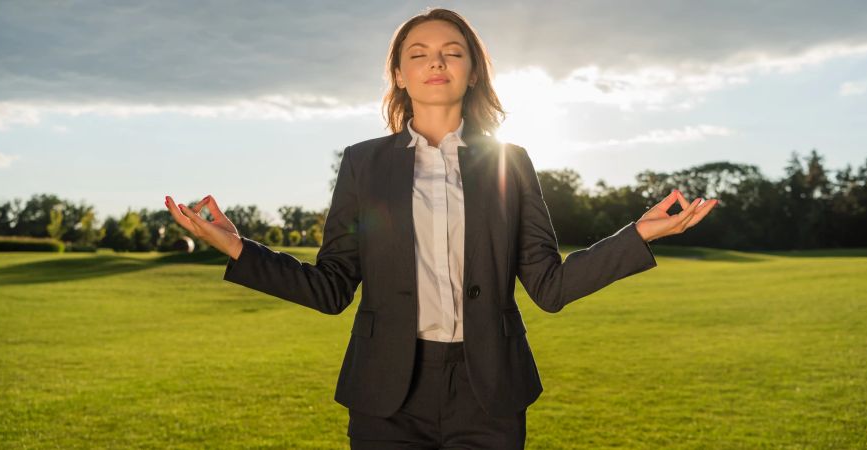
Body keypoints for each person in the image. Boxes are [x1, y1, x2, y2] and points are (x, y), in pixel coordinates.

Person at [164, 7, 716, 449]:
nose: (437, 63)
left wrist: (637, 235)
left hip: (490, 391)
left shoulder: (510, 163)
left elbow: (550, 286)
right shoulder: (363, 164)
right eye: (420, 54)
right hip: (386, 395)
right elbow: (332, 287)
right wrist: (238, 249)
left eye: (453, 53)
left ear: (472, 71)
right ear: (399, 75)